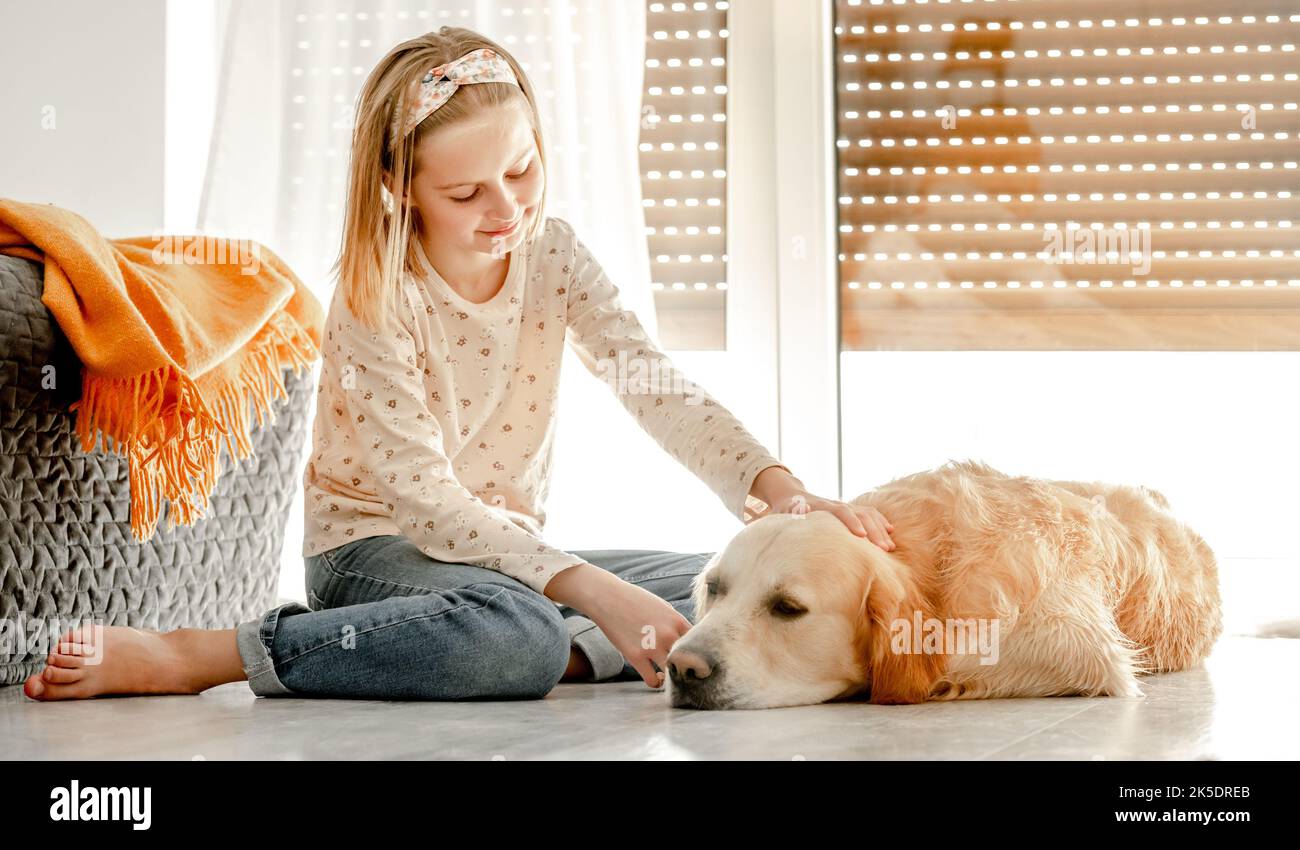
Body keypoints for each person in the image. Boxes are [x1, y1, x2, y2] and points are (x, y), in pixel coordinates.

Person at [22, 27, 894, 703]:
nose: (507, 208)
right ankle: (207, 653)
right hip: (379, 550)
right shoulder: (378, 298)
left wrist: (776, 486)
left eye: (521, 171)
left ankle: (516, 647)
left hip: (498, 559)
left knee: (706, 581)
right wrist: (586, 589)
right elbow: (426, 503)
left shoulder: (555, 256)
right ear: (402, 186)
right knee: (518, 629)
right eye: (467, 193)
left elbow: (652, 383)